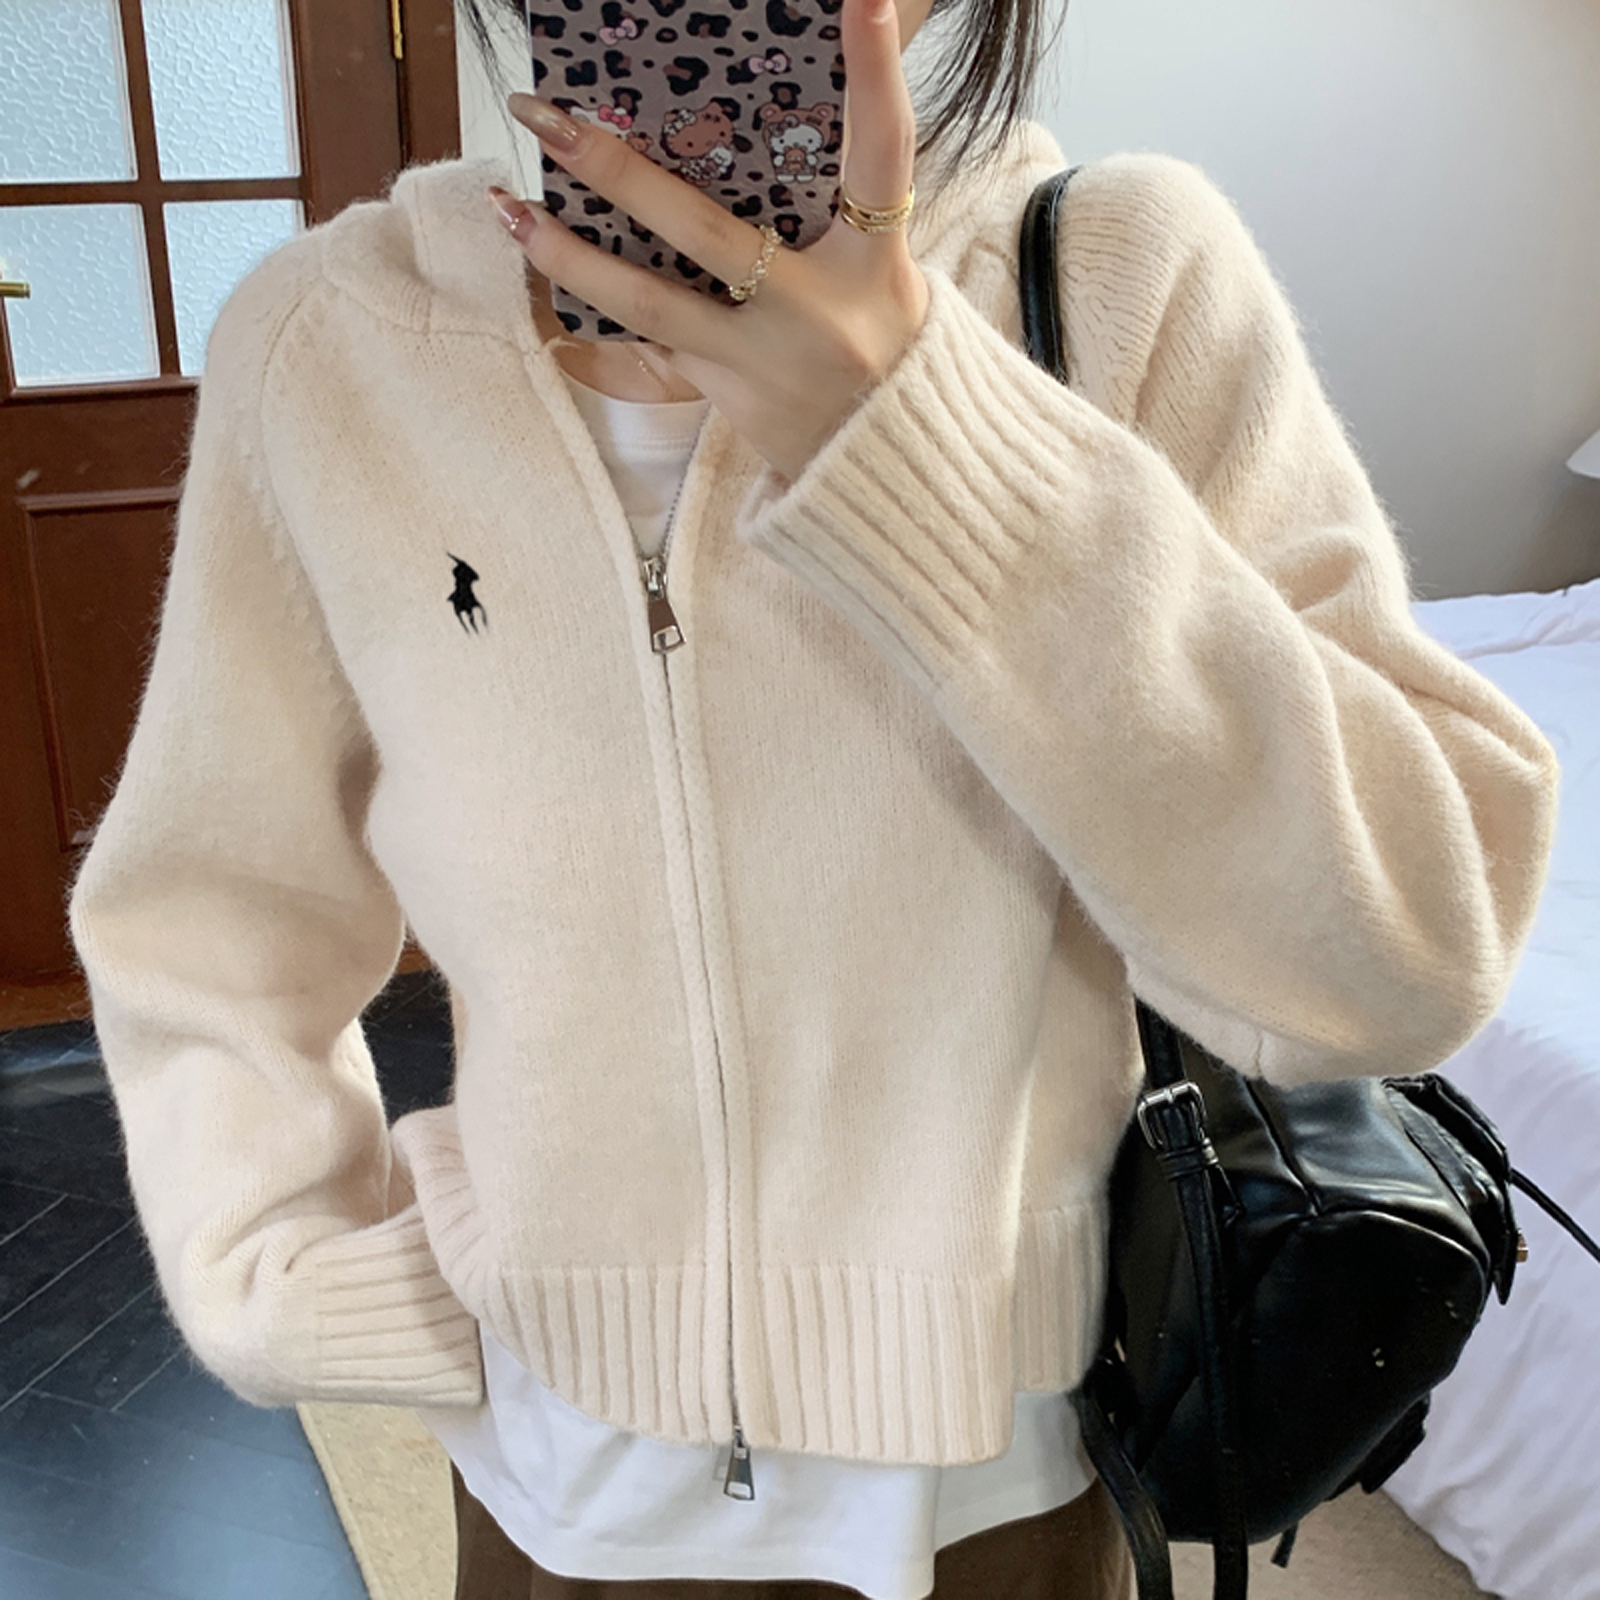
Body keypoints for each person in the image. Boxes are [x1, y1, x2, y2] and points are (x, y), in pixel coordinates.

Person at [64, 0, 1559, 1594]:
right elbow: (212, 912)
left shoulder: (1122, 281)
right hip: (549, 1495)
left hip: (998, 1505)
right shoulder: (334, 348)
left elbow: (1407, 953)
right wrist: (284, 1271)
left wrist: (918, 435)